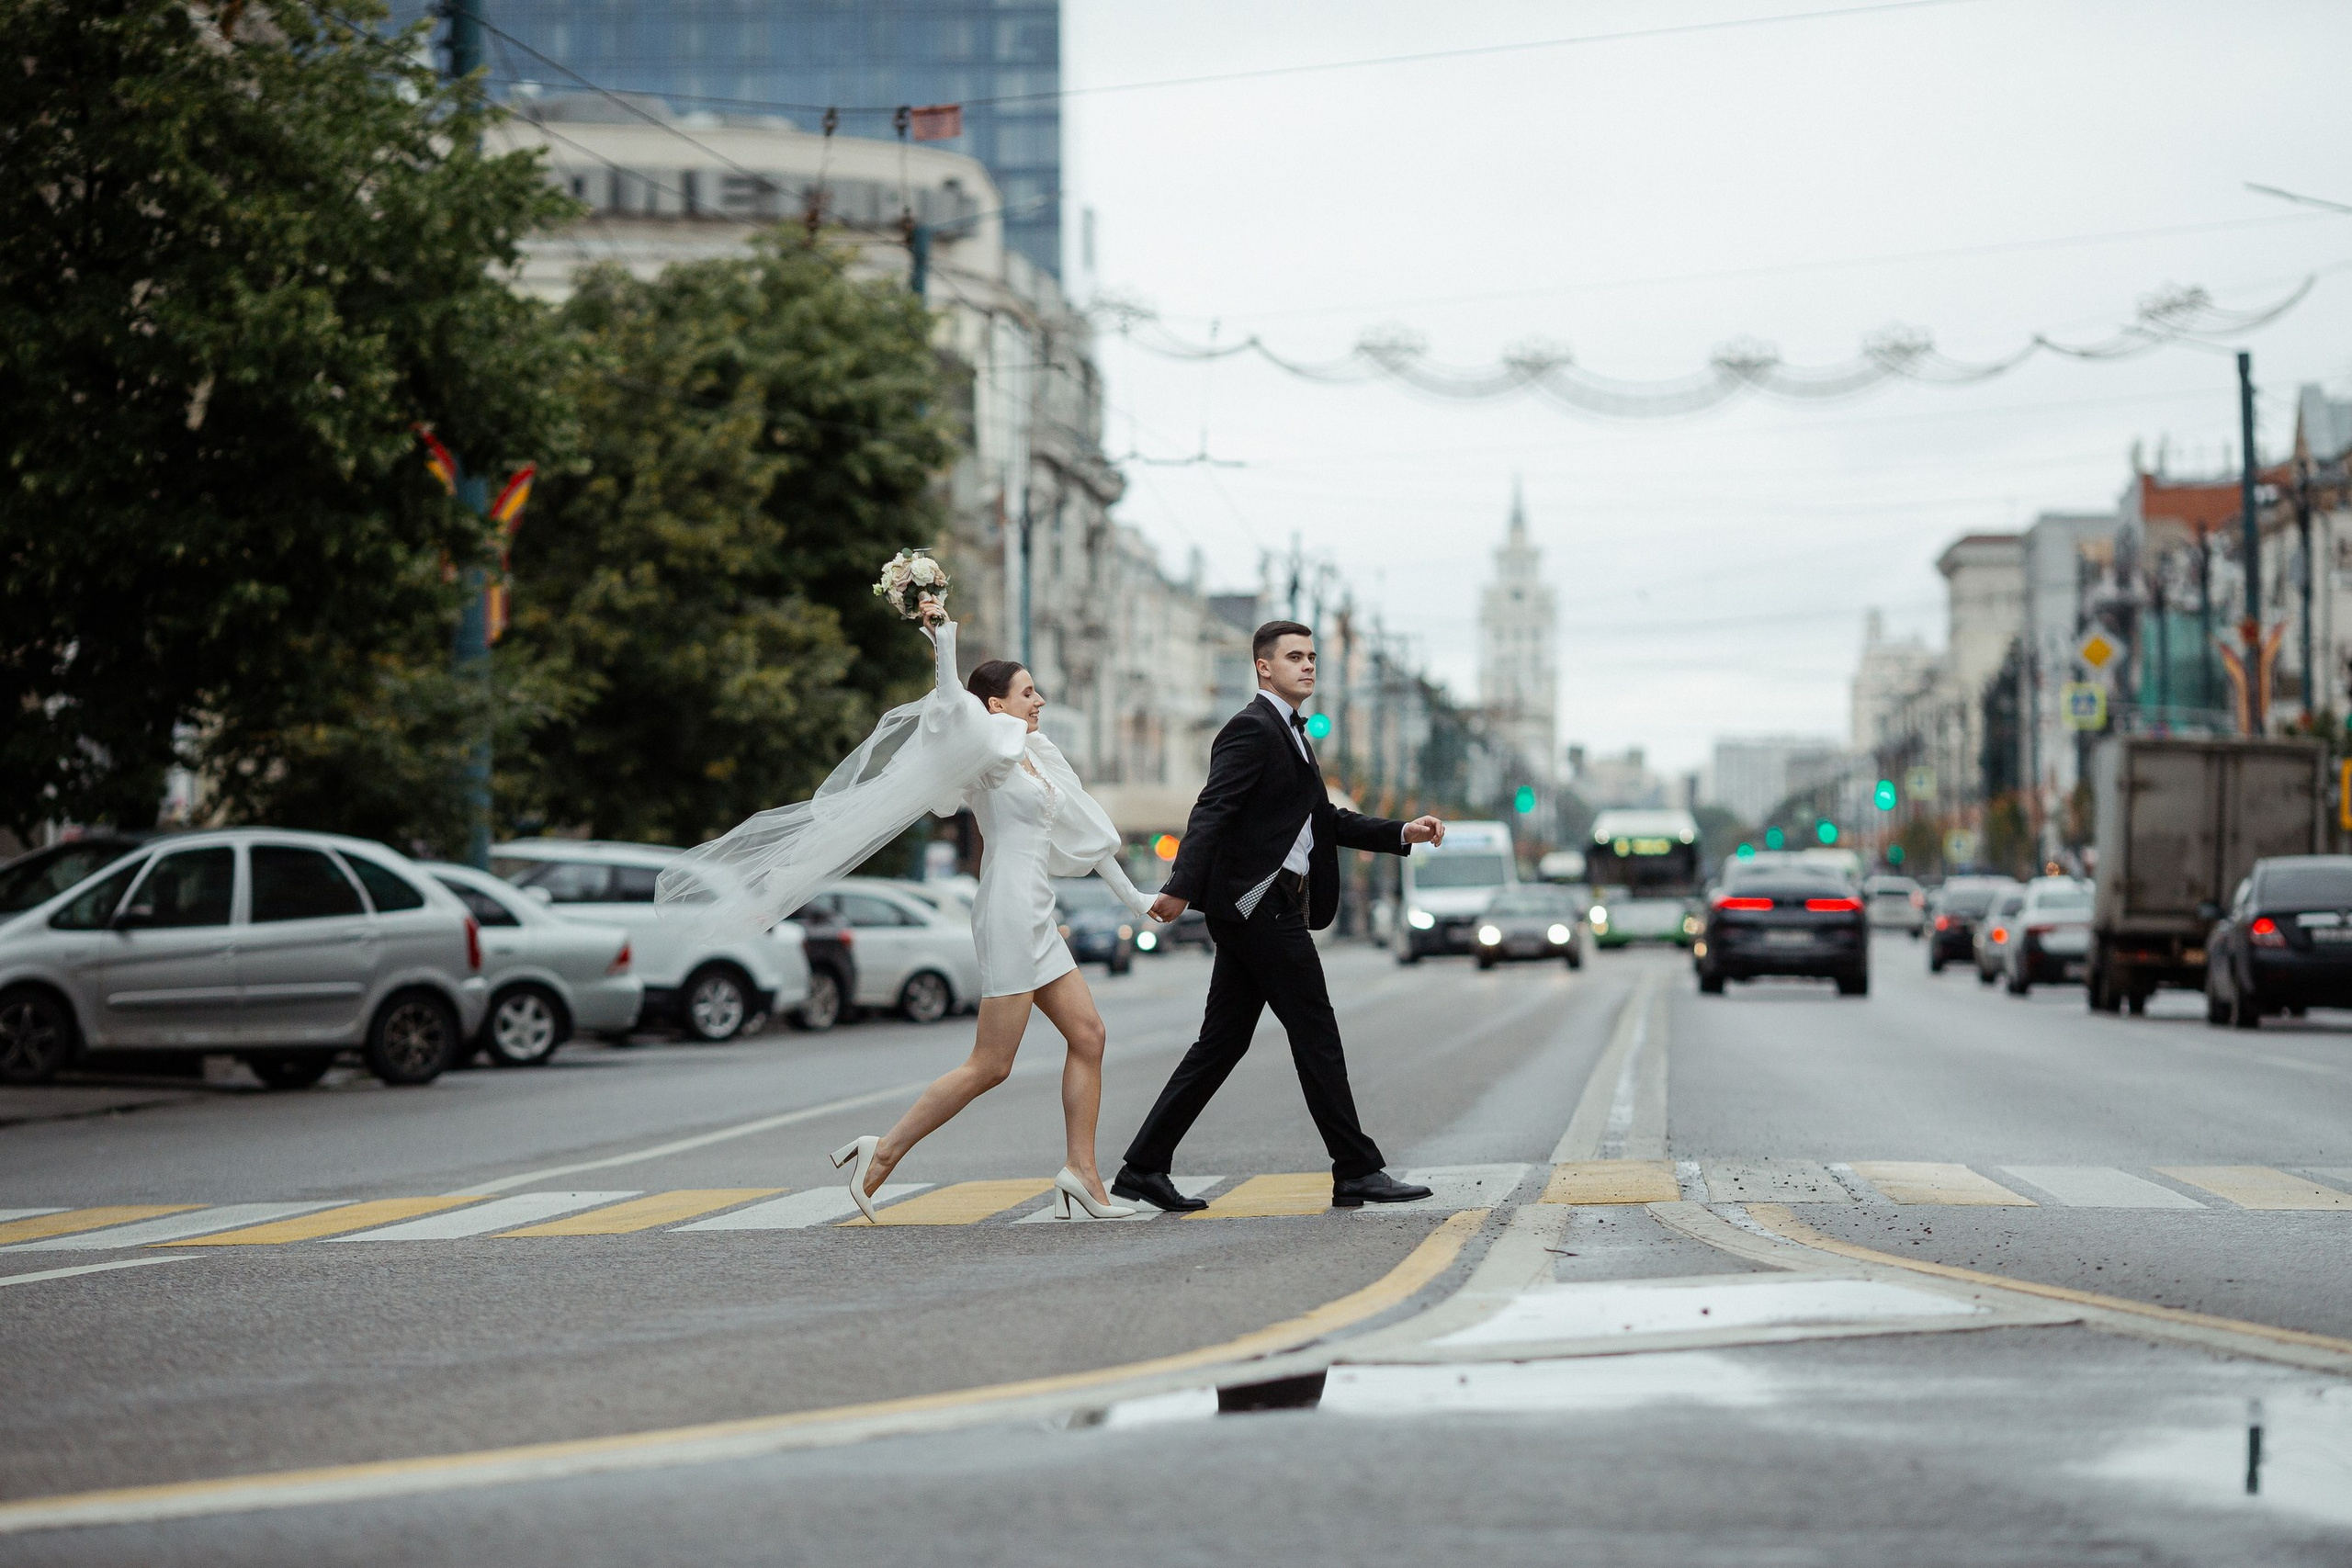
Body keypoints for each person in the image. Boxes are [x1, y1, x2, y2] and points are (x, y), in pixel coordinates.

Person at [660, 595, 1154, 1223]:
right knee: (991, 1065)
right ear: (997, 703)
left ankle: (1082, 1173)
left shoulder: (1037, 754)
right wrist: (942, 636)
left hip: (1036, 907)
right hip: (1006, 909)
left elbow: (1086, 830)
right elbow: (951, 706)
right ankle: (884, 1151)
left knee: (1089, 1035)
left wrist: (1136, 899)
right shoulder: (986, 751)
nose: (1040, 700)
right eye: (1029, 691)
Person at [1113, 620, 1446, 1213]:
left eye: (1313, 657)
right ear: (1264, 667)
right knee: (1316, 1029)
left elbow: (1326, 821)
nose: (1309, 666)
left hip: (1265, 906)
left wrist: (1403, 831)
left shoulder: (1293, 735)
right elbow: (1211, 810)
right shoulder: (1250, 728)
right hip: (1256, 905)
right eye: (1296, 657)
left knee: (1221, 1043)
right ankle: (1357, 1168)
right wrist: (1180, 887)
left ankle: (1143, 1166)